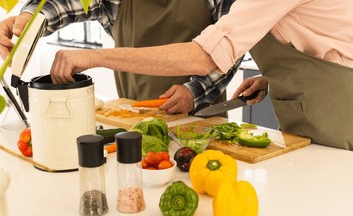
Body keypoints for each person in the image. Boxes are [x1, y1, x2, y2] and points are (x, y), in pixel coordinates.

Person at [46, 0, 353, 151]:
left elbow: (203, 56)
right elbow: (322, 36)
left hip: (337, 118)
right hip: (315, 114)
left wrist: (92, 57)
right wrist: (270, 77)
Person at [0, 0, 240, 115]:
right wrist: (30, 19)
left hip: (202, 122)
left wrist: (195, 91)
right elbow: (64, 4)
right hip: (134, 120)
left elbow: (230, 51)